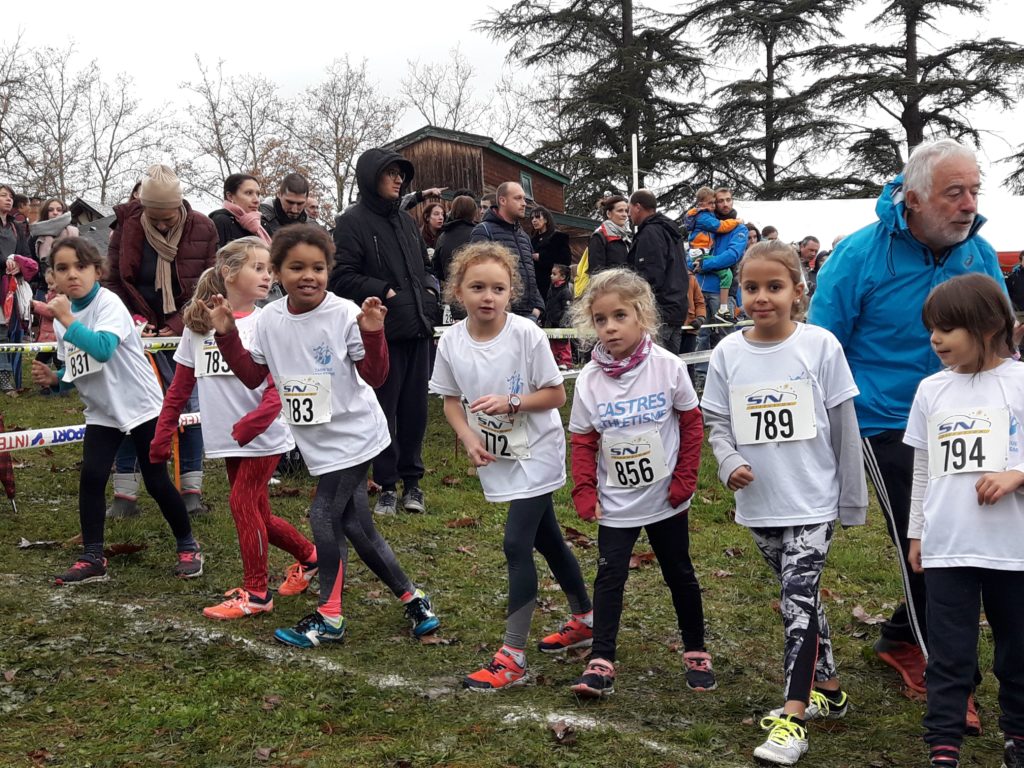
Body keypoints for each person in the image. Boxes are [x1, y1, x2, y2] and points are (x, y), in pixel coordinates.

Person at [809, 139, 1005, 731]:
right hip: (885, 419)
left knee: (975, 531)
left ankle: (898, 636)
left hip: (970, 417)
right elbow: (822, 344)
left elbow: (1000, 336)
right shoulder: (859, 256)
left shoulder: (980, 253)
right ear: (914, 197)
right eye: (955, 193)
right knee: (930, 537)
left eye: (974, 190)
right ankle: (951, 675)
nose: (969, 204)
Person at [210, 224, 440, 647]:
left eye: (318, 267)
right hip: (317, 441)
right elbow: (252, 375)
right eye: (296, 267)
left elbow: (376, 375)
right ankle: (414, 598)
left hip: (355, 435)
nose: (308, 276)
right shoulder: (270, 320)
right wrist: (226, 334)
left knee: (323, 515)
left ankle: (330, 617)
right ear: (278, 272)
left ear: (329, 271)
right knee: (356, 525)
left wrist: (372, 332)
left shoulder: (343, 313)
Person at [702, 240, 866, 765]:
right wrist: (728, 463)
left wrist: (851, 498)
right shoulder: (728, 352)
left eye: (774, 287)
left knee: (796, 602)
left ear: (799, 291)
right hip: (759, 504)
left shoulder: (821, 346)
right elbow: (717, 423)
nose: (761, 298)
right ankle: (831, 689)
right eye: (751, 288)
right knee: (803, 600)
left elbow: (845, 426)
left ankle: (793, 718)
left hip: (813, 501)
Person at [430, 242, 593, 691]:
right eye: (477, 287)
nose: (488, 296)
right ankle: (586, 617)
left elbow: (556, 395)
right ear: (458, 291)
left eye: (498, 288)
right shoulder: (452, 341)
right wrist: (467, 439)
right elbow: (449, 400)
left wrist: (512, 401)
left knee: (516, 543)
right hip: (496, 454)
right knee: (549, 538)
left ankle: (513, 656)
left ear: (510, 293)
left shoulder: (526, 334)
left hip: (537, 451)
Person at [150, 237, 317, 620]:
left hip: (266, 436)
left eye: (269, 269)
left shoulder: (268, 322)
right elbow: (179, 389)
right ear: (228, 272)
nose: (268, 276)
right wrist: (162, 435)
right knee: (259, 513)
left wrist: (255, 423)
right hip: (227, 440)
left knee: (242, 503)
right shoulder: (198, 326)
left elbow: (281, 384)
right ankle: (311, 556)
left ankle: (257, 593)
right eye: (258, 268)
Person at [566, 268, 714, 699]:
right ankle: (602, 659)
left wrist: (685, 479)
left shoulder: (667, 367)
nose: (610, 328)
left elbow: (691, 424)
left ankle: (696, 650)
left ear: (642, 316)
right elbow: (583, 440)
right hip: (616, 502)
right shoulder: (591, 380)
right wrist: (585, 489)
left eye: (619, 316)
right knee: (609, 577)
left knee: (679, 573)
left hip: (666, 498)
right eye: (600, 319)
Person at [30, 237, 203, 585]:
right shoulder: (64, 316)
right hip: (103, 411)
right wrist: (56, 378)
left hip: (141, 405)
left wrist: (65, 318)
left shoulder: (109, 304)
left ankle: (188, 546)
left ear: (97, 270)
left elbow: (103, 348)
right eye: (62, 268)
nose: (72, 275)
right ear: (52, 276)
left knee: (155, 481)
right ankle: (93, 556)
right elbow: (77, 366)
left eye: (80, 267)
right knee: (91, 478)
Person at [903, 274, 1024, 768]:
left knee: (1016, 653)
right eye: (932, 328)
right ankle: (944, 745)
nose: (936, 339)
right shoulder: (931, 391)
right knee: (950, 653)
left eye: (948, 328)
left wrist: (1017, 474)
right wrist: (916, 532)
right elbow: (925, 468)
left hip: (1012, 549)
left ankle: (1017, 735)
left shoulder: (1019, 383)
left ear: (990, 325)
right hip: (948, 545)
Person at [104, 164, 218, 518]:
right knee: (128, 407)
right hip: (135, 332)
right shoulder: (126, 227)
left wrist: (176, 323)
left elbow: (210, 282)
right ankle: (125, 494)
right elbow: (113, 282)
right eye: (155, 217)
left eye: (168, 217)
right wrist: (133, 322)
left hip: (185, 329)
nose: (163, 224)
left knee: (189, 408)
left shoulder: (204, 227)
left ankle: (191, 489)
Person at [330, 148, 439, 516]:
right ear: (370, 177)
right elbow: (340, 276)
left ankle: (413, 484)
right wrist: (382, 288)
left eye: (400, 174)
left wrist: (429, 291)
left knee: (415, 410)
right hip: (383, 334)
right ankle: (387, 485)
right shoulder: (351, 222)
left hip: (419, 329)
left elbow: (425, 265)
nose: (398, 179)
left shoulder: (408, 222)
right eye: (390, 173)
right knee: (382, 410)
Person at [471, 182, 545, 322]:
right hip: (500, 316)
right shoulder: (484, 231)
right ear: (502, 200)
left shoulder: (523, 236)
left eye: (524, 199)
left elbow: (531, 274)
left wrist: (538, 308)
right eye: (518, 198)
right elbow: (476, 274)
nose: (524, 203)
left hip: (529, 315)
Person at [626, 189, 688, 353]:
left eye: (629, 208)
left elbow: (649, 275)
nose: (628, 214)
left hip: (659, 311)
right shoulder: (670, 231)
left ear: (638, 207)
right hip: (676, 308)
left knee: (656, 366)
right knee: (670, 365)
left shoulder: (650, 233)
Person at [684, 186, 744, 325]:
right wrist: (692, 265)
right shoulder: (708, 221)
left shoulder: (739, 227)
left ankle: (724, 309)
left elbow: (732, 255)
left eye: (728, 200)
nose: (725, 204)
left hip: (721, 290)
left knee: (724, 333)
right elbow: (692, 251)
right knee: (700, 335)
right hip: (700, 287)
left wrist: (704, 265)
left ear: (733, 201)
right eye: (720, 201)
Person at [209, 174, 272, 248]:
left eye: (258, 194)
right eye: (249, 193)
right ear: (230, 196)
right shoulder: (220, 221)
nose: (256, 200)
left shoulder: (262, 225)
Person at [432, 195, 477, 286]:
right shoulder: (478, 233)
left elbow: (436, 268)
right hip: (475, 287)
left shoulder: (443, 237)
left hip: (452, 288)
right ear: (473, 212)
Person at [530, 206, 571, 299]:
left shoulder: (558, 237)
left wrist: (541, 257)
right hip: (535, 285)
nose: (534, 220)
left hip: (552, 285)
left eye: (537, 217)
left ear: (545, 219)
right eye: (532, 218)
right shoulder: (532, 240)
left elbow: (565, 261)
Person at [587, 195, 631, 275]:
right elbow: (596, 273)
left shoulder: (627, 238)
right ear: (609, 214)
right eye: (620, 211)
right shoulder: (599, 237)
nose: (625, 214)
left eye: (626, 211)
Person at [544, 263, 572, 369]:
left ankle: (566, 362)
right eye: (551, 273)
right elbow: (548, 305)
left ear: (563, 277)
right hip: (551, 322)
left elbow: (567, 309)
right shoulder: (551, 290)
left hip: (562, 323)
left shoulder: (565, 292)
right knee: (553, 345)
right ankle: (555, 362)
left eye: (554, 274)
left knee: (563, 344)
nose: (551, 276)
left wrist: (564, 322)